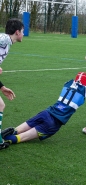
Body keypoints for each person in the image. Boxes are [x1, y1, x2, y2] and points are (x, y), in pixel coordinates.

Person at [1, 72, 86, 144]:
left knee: (16, 130)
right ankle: (6, 140)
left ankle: (7, 133)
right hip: (54, 122)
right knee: (20, 138)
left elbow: (76, 85)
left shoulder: (67, 83)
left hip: (46, 113)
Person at [0, 19, 24, 150]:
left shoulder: (7, 43)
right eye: (23, 31)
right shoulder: (4, 38)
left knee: (0, 105)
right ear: (17, 32)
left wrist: (2, 87)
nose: (24, 34)